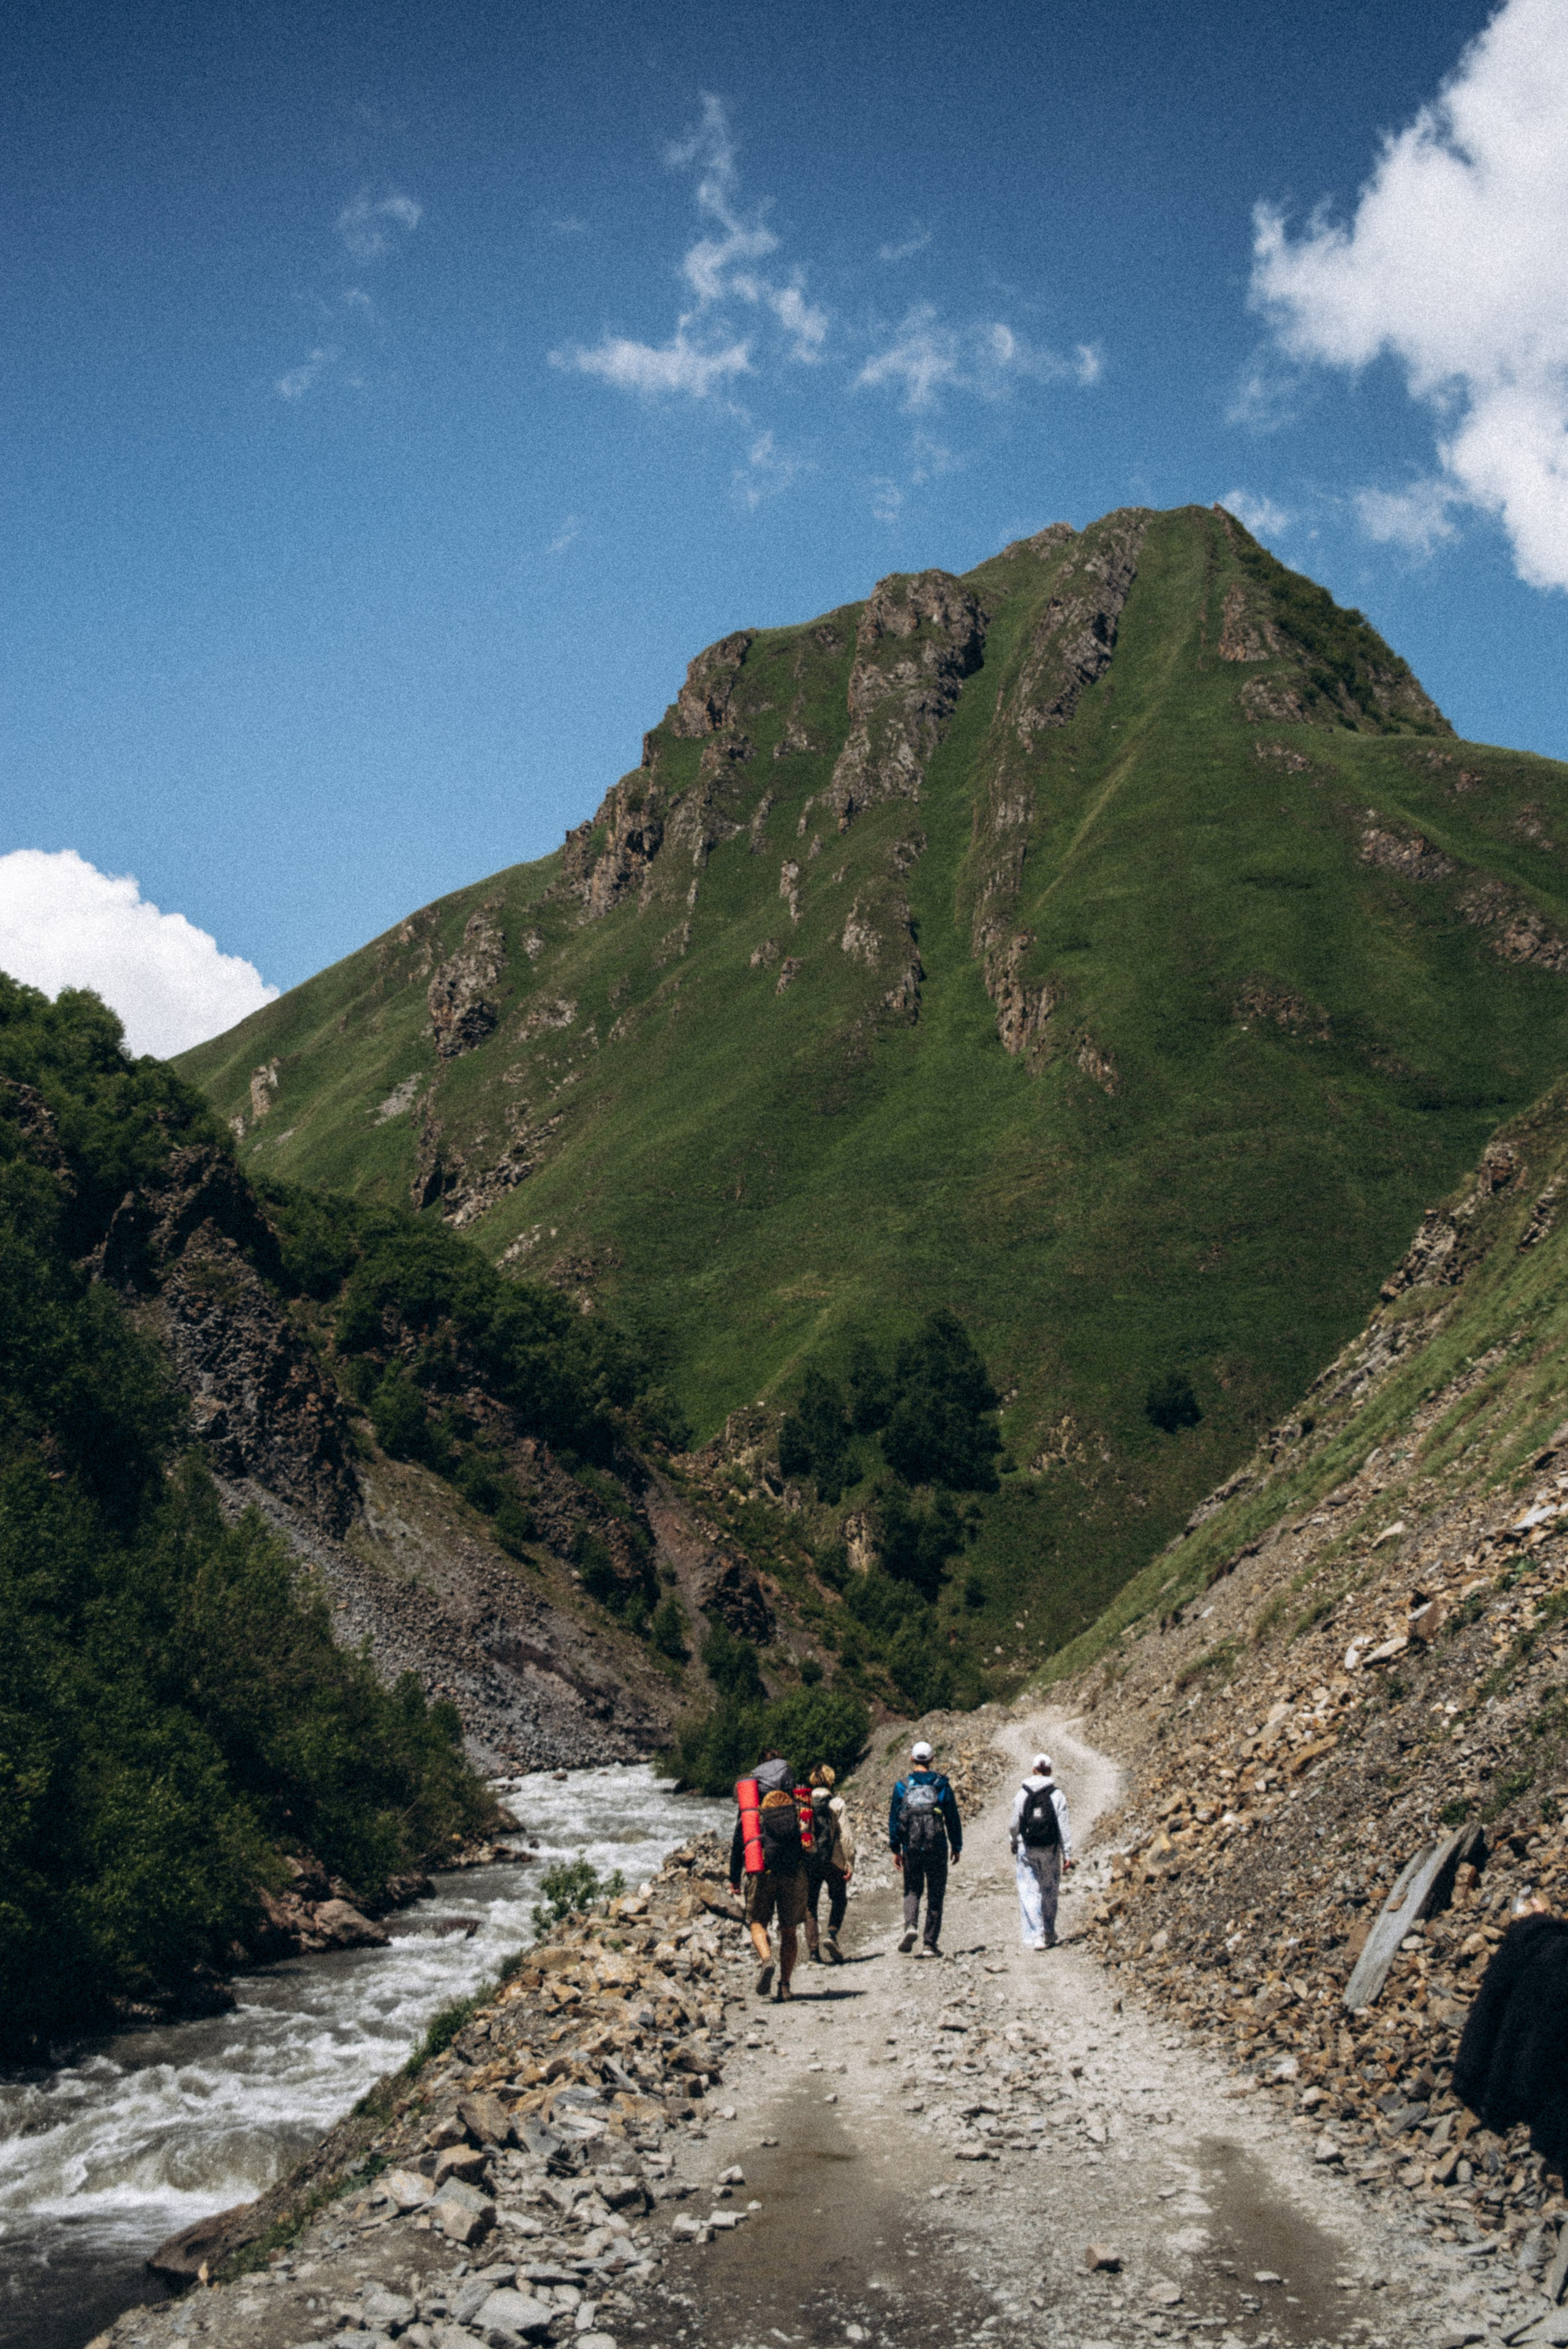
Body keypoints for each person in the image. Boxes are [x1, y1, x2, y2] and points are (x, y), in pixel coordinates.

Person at [728, 1748, 809, 2000]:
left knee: (756, 1923)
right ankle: (785, 1986)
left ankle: (766, 1959)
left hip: (761, 1868)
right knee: (789, 1930)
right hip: (792, 1869)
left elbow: (739, 1841)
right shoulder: (796, 1799)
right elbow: (808, 1836)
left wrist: (734, 1877)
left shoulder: (753, 1807)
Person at [888, 1738, 962, 1956]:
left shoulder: (902, 1785)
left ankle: (911, 1926)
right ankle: (930, 1943)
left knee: (912, 1889)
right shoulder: (941, 1784)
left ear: (912, 1759)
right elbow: (952, 1817)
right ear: (932, 1759)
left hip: (911, 1847)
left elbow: (894, 1818)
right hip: (937, 1846)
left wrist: (895, 1848)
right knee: (936, 1893)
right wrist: (956, 1845)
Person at [1009, 1752, 1072, 1950]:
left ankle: (1036, 1935)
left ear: (1033, 1769)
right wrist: (1067, 1853)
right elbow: (1064, 1826)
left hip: (1027, 1847)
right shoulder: (1057, 1794)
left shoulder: (1022, 1793)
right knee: (1049, 1890)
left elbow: (1014, 1824)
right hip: (1050, 1848)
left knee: (1029, 1891)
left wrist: (1013, 1841)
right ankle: (1050, 1932)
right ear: (1050, 1771)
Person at [803, 1765, 855, 1964]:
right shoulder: (837, 1803)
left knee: (811, 1906)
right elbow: (846, 1836)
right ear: (831, 1780)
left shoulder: (803, 1802)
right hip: (834, 1860)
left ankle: (814, 1953)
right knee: (839, 1898)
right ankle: (832, 1934)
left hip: (810, 1860)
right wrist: (849, 1862)